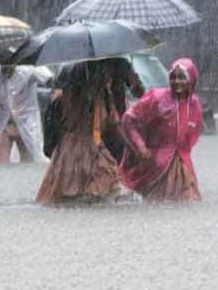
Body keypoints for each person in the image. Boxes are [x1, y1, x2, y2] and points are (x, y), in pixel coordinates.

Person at [36, 59, 125, 204]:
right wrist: (134, 147)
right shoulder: (101, 99)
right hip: (91, 152)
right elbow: (114, 127)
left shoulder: (62, 100)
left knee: (67, 200)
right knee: (105, 191)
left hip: (65, 156)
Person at [120, 58, 204, 202]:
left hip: (181, 163)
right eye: (173, 77)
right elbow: (129, 120)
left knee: (187, 201)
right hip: (155, 163)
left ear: (191, 80)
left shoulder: (195, 104)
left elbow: (192, 135)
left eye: (182, 77)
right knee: (159, 201)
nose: (177, 81)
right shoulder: (156, 98)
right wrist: (140, 147)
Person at [0, 62, 50, 163]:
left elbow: (48, 77)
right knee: (1, 164)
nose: (6, 68)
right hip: (4, 125)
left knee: (28, 163)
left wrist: (32, 63)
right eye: (3, 65)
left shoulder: (28, 71)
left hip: (26, 123)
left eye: (9, 64)